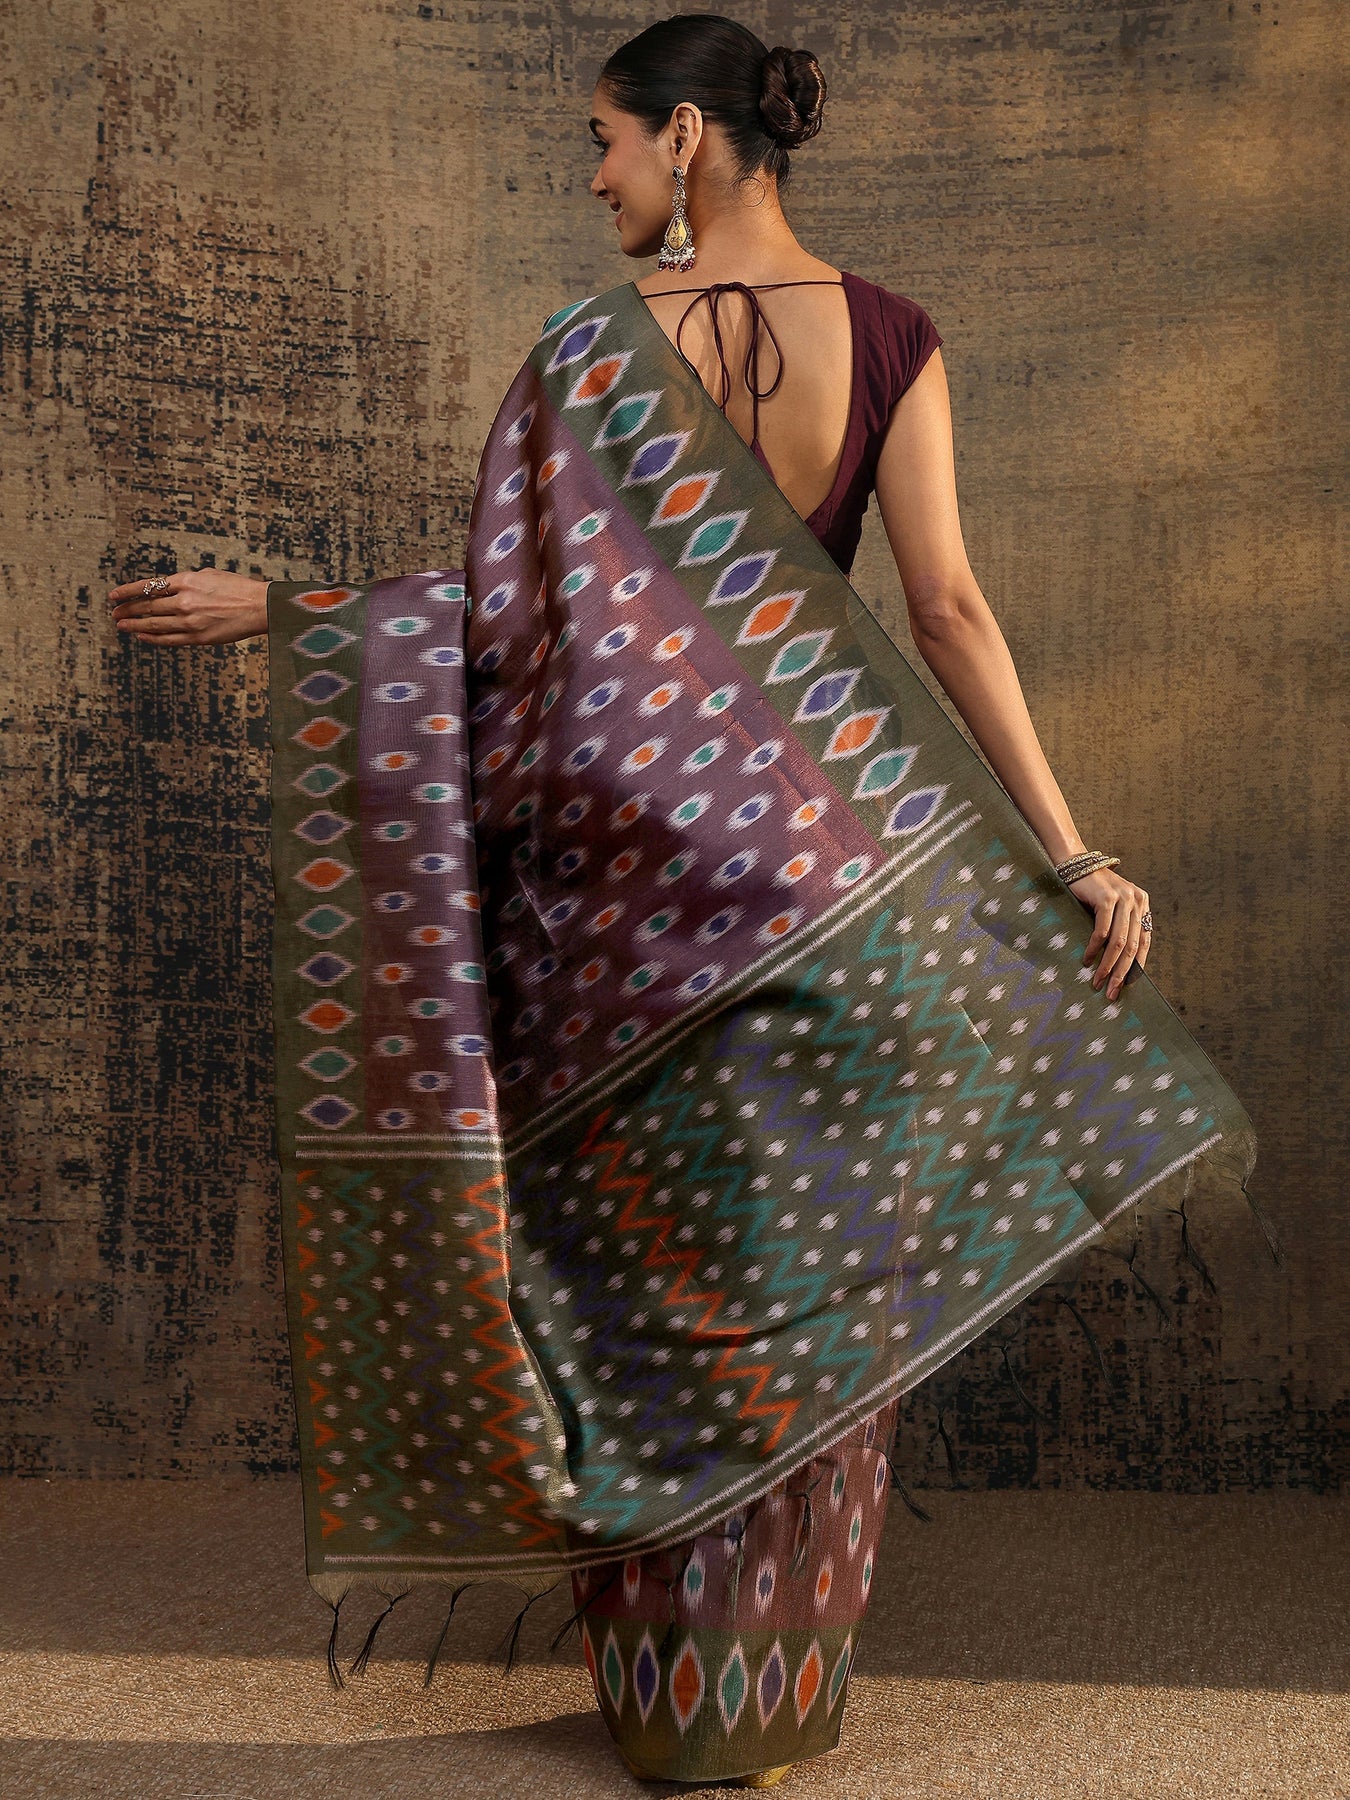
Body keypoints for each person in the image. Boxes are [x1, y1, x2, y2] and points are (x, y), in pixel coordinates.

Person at [108, 15, 1256, 1790]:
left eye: (605, 138)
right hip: (838, 889)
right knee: (808, 1289)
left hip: (621, 920)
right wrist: (1068, 850)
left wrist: (290, 613)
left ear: (689, 137)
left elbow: (510, 626)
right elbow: (946, 610)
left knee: (640, 1292)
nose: (594, 176)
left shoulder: (593, 353)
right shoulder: (891, 335)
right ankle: (771, 1708)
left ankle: (670, 1712)